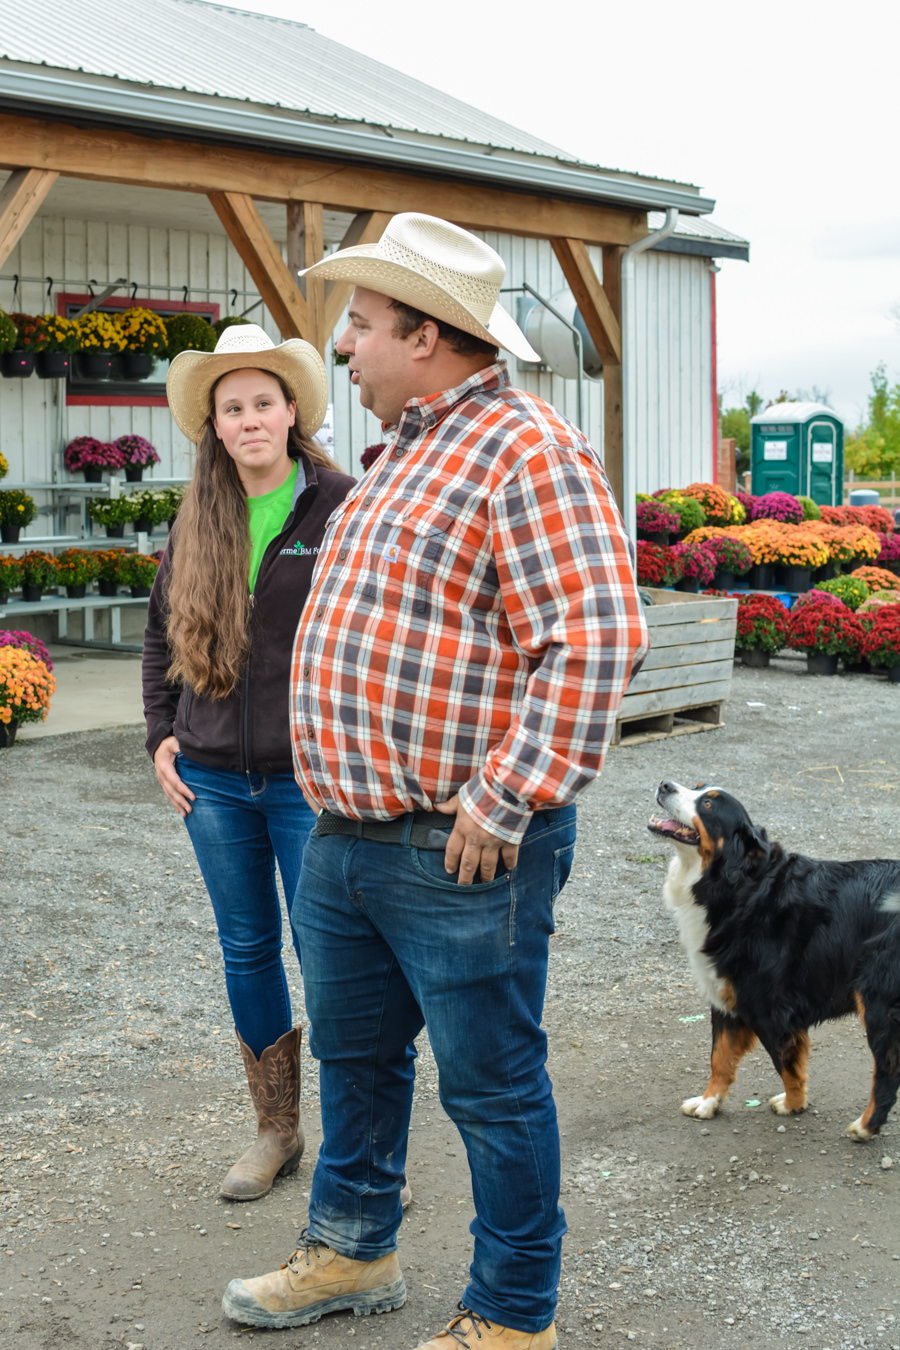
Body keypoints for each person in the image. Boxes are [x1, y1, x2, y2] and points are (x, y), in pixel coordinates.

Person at [221, 214, 649, 1347]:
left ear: (428, 332)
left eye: (360, 326)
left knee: (493, 1087)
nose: (345, 351)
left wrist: (504, 797)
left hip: (458, 843)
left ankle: (514, 1316)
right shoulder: (406, 449)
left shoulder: (528, 451)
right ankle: (353, 1252)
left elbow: (597, 638)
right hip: (350, 836)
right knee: (358, 1062)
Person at [142, 323, 354, 1202]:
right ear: (215, 427)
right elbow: (159, 636)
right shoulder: (200, 514)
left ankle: (358, 1148)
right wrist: (159, 731)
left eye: (262, 401)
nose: (249, 419)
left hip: (309, 779)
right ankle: (276, 1130)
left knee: (334, 953)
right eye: (232, 408)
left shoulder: (342, 503)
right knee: (248, 949)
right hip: (216, 781)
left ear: (291, 410)